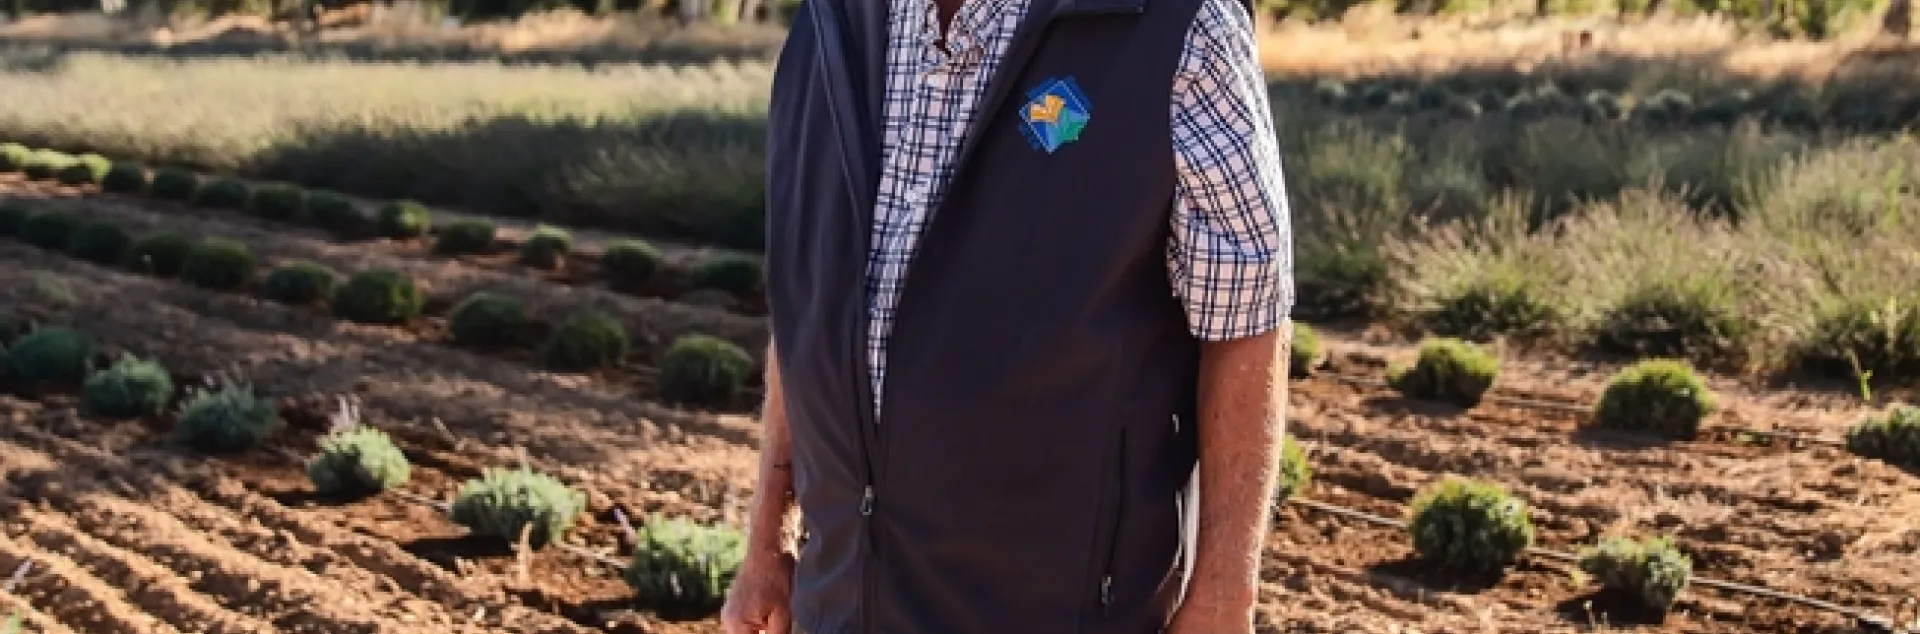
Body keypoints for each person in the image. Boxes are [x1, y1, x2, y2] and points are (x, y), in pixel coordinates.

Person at [724, 0, 1295, 629]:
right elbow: (812, 316)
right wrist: (764, 543)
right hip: (840, 607)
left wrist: (1223, 595)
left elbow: (1247, 319)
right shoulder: (828, 25)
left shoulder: (1176, 27)